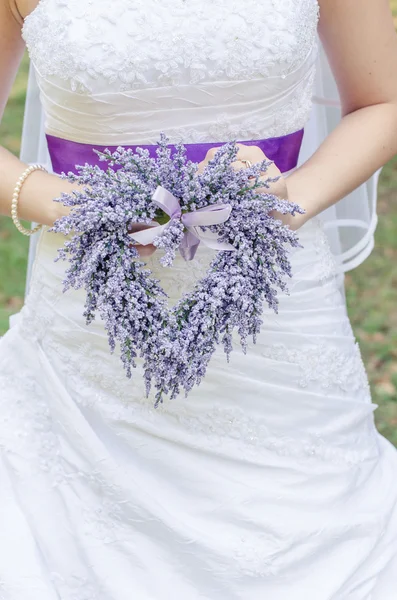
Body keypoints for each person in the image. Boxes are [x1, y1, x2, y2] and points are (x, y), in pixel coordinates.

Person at [0, 0, 397, 597]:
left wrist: (287, 199)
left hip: (277, 319)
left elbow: (382, 102)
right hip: (90, 330)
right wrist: (86, 210)